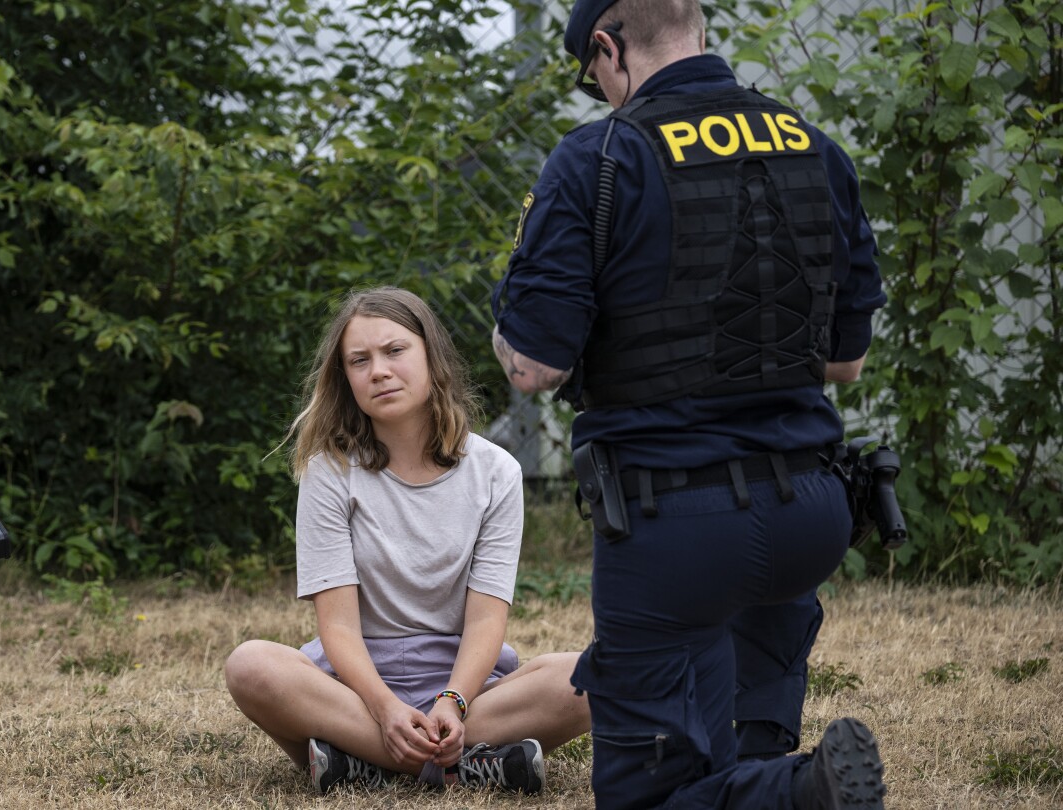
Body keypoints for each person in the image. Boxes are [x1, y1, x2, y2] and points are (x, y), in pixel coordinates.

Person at [490, 1, 889, 808]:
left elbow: (533, 367)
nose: (602, 91)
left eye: (594, 72)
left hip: (674, 532)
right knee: (732, 756)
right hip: (811, 516)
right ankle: (787, 780)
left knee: (650, 796)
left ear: (607, 47)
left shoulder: (597, 158)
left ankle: (804, 792)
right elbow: (845, 362)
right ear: (700, 29)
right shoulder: (815, 148)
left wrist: (512, 315)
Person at [225, 287, 590, 795]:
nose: (378, 370)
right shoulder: (328, 472)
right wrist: (386, 708)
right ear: (345, 378)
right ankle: (472, 766)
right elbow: (338, 627)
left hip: (466, 690)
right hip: (353, 690)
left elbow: (486, 618)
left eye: (395, 350)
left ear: (431, 358)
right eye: (359, 360)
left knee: (592, 676)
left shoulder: (496, 472)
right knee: (251, 666)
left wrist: (453, 701)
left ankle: (360, 764)